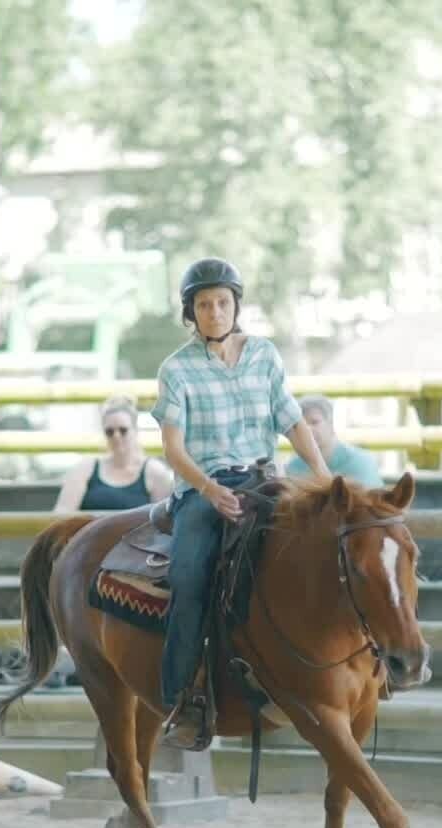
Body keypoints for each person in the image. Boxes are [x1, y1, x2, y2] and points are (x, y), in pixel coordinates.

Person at [154, 256, 331, 749]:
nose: (214, 312)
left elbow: (292, 421)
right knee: (189, 578)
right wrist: (210, 490)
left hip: (264, 481)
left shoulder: (265, 356)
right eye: (204, 304)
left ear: (236, 306)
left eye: (222, 303)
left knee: (324, 550)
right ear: (191, 313)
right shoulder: (176, 370)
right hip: (205, 489)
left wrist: (320, 476)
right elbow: (173, 448)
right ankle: (182, 700)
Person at [52, 395, 174, 512]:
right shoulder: (85, 468)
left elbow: (162, 524)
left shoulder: (156, 472)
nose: (116, 436)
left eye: (123, 430)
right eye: (110, 432)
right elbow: (62, 514)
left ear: (136, 430)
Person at [286, 394, 384, 488]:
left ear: (331, 424)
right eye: (302, 425)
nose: (308, 429)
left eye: (314, 422)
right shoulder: (293, 468)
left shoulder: (361, 462)